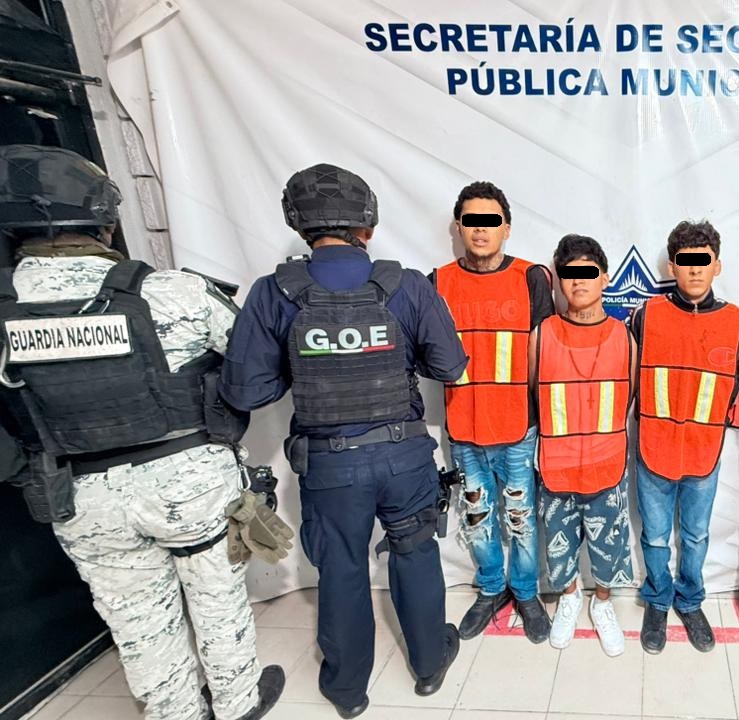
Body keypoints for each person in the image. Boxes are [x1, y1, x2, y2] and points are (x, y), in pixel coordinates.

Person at [0, 144, 283, 720]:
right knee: (217, 601)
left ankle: (174, 713)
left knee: (137, 622)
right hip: (189, 483)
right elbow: (255, 367)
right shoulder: (170, 291)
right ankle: (237, 704)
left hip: (79, 491)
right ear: (105, 220)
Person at [219, 164, 466, 718]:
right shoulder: (407, 286)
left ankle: (348, 691)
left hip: (330, 467)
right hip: (403, 457)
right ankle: (429, 665)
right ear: (367, 227)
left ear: (299, 225)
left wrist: (305, 362)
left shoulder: (274, 292)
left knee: (342, 569)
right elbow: (450, 366)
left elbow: (247, 391)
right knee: (415, 553)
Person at [431, 181, 553, 643]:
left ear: (506, 228)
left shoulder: (531, 278)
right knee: (477, 516)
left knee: (521, 518)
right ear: (459, 227)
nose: (481, 230)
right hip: (464, 426)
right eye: (472, 221)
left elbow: (545, 354)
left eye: (490, 221)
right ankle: (490, 588)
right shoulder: (437, 281)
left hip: (518, 427)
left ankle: (525, 592)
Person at [629, 220, 739, 654]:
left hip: (704, 452)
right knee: (655, 536)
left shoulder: (738, 320)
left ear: (717, 266)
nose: (695, 269)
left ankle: (691, 600)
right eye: (686, 261)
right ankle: (658, 600)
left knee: (696, 536)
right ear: (672, 266)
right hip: (653, 448)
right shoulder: (646, 316)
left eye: (704, 261)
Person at [535, 234, 636, 657]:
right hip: (556, 465)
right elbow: (532, 391)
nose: (578, 281)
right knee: (558, 542)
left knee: (609, 544)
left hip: (607, 462)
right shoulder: (542, 334)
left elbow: (629, 395)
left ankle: (603, 603)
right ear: (559, 281)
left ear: (605, 278)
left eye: (587, 272)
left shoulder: (624, 337)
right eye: (569, 273)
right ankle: (570, 597)